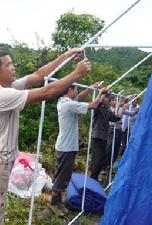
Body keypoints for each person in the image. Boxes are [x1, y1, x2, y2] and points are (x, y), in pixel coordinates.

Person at [0, 48, 91, 225]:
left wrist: (67, 56)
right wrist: (76, 74)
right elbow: (46, 92)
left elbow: (39, 75)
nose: (13, 67)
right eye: (8, 64)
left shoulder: (10, 87)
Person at [49, 83, 107, 215]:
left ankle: (58, 201)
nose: (77, 92)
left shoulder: (64, 102)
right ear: (70, 90)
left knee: (63, 174)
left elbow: (79, 97)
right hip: (66, 146)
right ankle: (54, 202)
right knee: (63, 175)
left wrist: (90, 88)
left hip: (65, 145)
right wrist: (101, 93)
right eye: (76, 89)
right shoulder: (68, 105)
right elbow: (93, 105)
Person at [90, 93, 122, 181]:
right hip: (97, 136)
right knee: (96, 158)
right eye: (106, 98)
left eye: (107, 98)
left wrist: (122, 108)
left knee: (102, 158)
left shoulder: (107, 110)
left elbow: (116, 118)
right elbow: (98, 103)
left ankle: (95, 177)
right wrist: (102, 93)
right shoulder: (98, 107)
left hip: (104, 137)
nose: (107, 99)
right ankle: (93, 177)